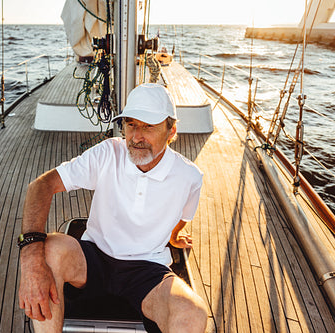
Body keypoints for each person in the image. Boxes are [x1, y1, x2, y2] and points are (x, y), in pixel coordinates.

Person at [18, 83, 207, 333]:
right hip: (93, 256)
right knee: (49, 248)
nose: (136, 136)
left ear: (171, 130)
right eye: (130, 124)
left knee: (193, 314)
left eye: (148, 126)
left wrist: (174, 236)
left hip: (147, 270)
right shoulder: (108, 153)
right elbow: (42, 185)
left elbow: (182, 217)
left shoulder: (190, 177)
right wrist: (30, 261)